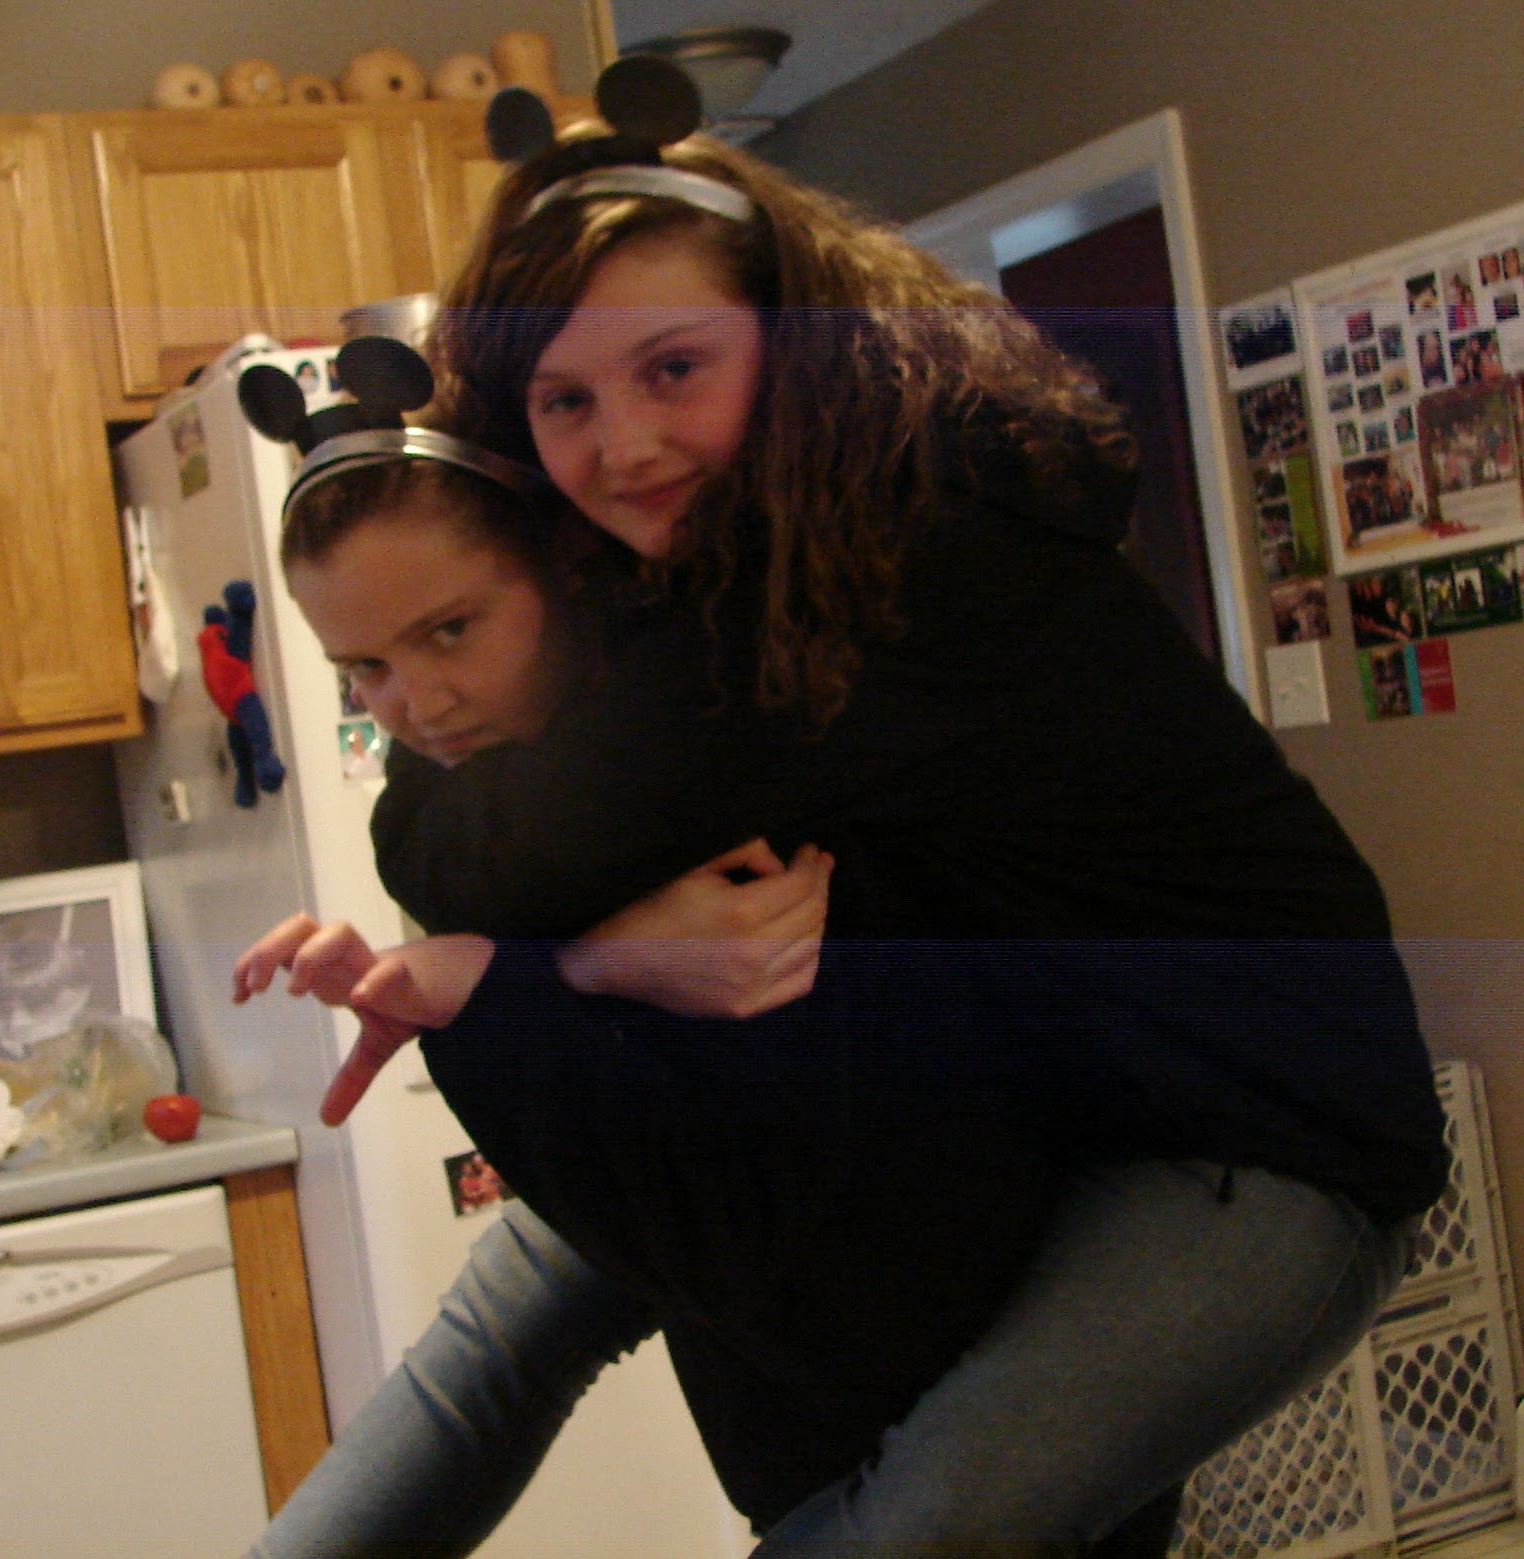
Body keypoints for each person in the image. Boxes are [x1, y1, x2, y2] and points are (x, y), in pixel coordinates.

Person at [243, 67, 1449, 1558]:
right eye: (565, 400)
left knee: (920, 1529)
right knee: (496, 1342)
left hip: (1257, 1126)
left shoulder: (900, 555)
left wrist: (507, 967)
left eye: (674, 368)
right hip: (1009, 1093)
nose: (625, 445)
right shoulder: (704, 553)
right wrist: (589, 958)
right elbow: (475, 805)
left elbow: (495, 849)